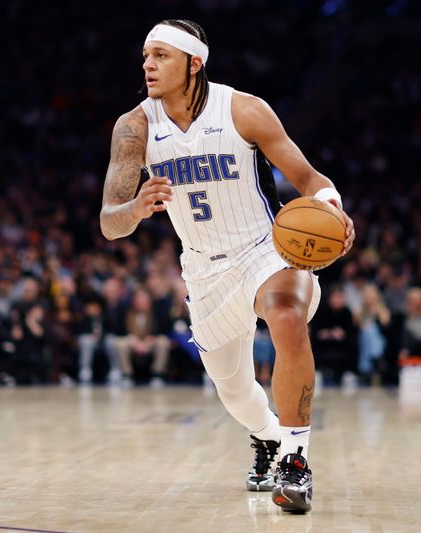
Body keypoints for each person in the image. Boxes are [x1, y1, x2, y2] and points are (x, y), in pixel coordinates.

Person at [100, 20, 354, 512]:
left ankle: (295, 461)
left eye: (161, 55)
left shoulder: (243, 109)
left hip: (267, 247)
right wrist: (132, 209)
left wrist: (332, 205)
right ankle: (267, 435)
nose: (148, 65)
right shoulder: (135, 126)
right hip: (203, 269)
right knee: (235, 392)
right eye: (146, 56)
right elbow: (110, 223)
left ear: (194, 62)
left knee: (286, 315)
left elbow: (306, 175)